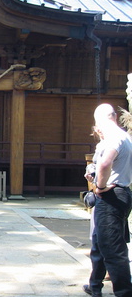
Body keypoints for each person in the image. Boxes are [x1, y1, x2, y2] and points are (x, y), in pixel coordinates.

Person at [83, 103, 132, 297]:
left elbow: (105, 163)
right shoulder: (125, 137)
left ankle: (124, 292)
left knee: (112, 249)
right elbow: (100, 164)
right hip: (121, 192)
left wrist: (100, 186)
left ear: (103, 120)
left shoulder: (115, 137)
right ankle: (95, 286)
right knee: (99, 242)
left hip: (111, 195)